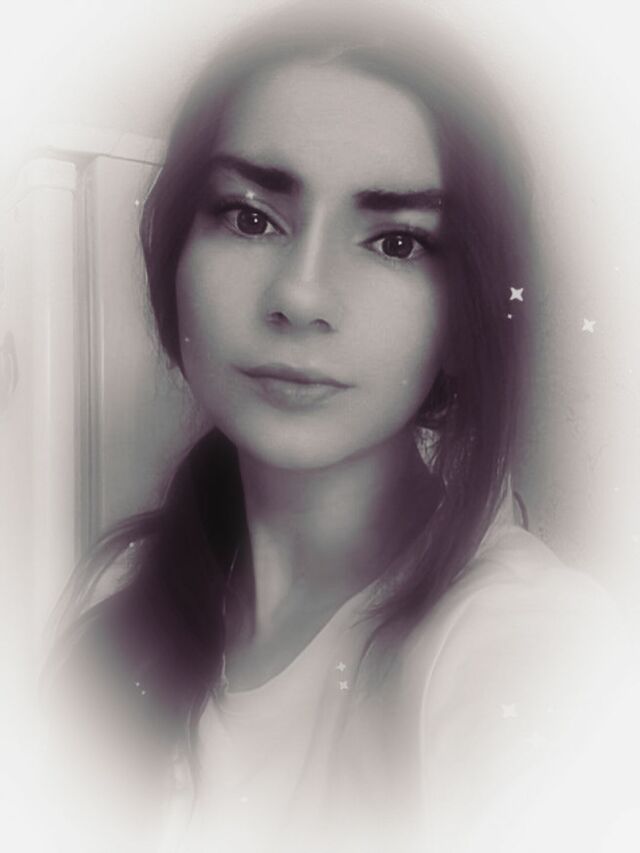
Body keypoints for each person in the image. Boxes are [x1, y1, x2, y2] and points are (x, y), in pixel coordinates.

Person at [40, 2, 638, 851]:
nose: (301, 294)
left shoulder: (530, 650)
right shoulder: (120, 587)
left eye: (396, 242)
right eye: (250, 217)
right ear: (174, 251)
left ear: (467, 310)